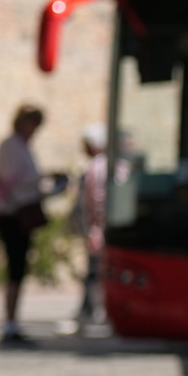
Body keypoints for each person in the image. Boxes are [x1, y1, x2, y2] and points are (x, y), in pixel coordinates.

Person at [0, 103, 62, 347]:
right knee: (15, 269)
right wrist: (44, 180)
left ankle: (13, 322)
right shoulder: (10, 146)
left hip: (20, 213)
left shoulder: (23, 147)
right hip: (11, 215)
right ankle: (9, 324)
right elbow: (16, 182)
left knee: (19, 270)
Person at [67, 123, 109, 334]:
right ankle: (89, 310)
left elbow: (95, 202)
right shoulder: (110, 165)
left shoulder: (95, 168)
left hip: (96, 227)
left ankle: (93, 311)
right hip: (100, 227)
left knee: (95, 271)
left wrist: (93, 226)